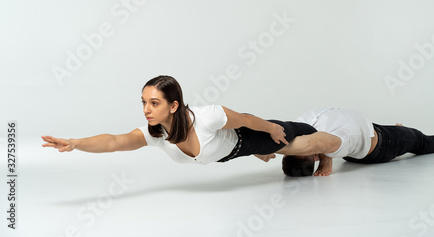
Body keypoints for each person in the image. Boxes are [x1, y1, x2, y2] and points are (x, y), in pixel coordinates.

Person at [42, 75, 324, 164]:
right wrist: (75, 143)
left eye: (154, 103)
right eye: (144, 103)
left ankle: (328, 155)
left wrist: (272, 129)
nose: (146, 110)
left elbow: (245, 119)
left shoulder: (207, 117)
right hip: (234, 151)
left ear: (174, 105)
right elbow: (115, 141)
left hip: (253, 135)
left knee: (302, 135)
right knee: (293, 156)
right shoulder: (155, 134)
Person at [272, 107, 434, 177]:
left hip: (366, 131)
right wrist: (327, 157)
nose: (299, 141)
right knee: (419, 141)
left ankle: (399, 131)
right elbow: (320, 143)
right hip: (383, 145)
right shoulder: (329, 142)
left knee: (398, 132)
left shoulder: (299, 131)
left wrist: (266, 146)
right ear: (314, 155)